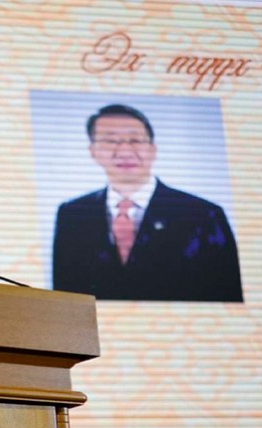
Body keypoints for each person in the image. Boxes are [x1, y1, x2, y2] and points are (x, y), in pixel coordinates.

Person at [52, 103, 243, 301]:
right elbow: (65, 293)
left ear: (153, 149)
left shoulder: (203, 214)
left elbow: (228, 291)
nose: (125, 151)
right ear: (93, 151)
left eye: (135, 140)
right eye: (110, 141)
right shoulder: (72, 213)